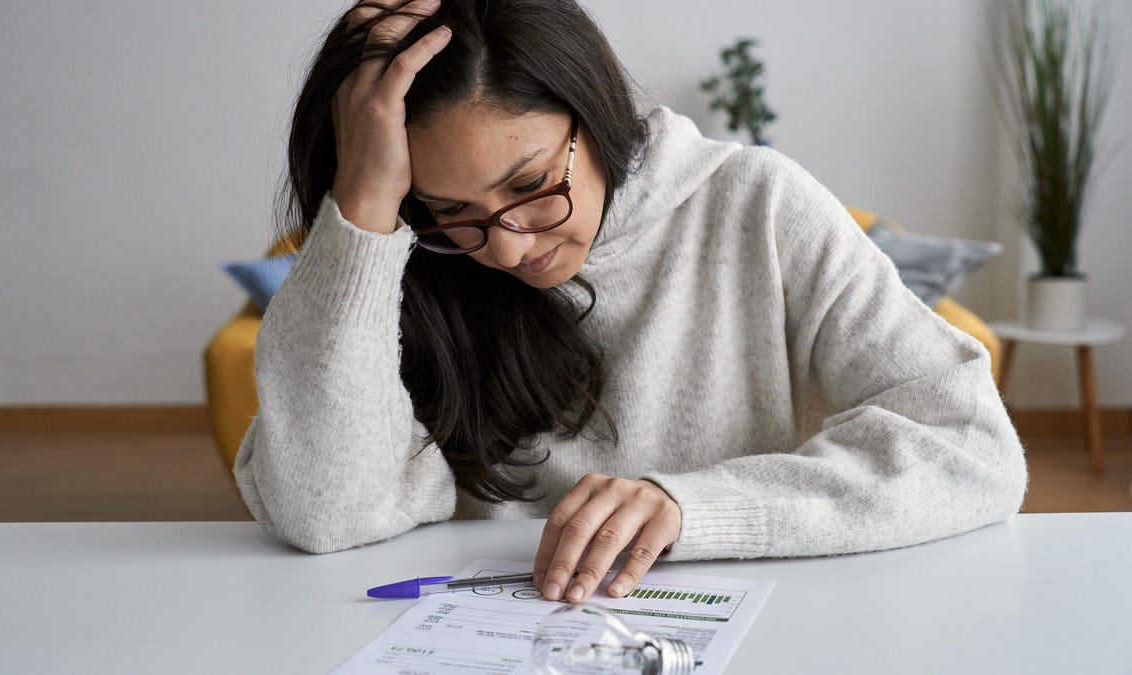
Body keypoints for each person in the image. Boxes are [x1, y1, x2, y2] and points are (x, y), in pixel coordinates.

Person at [233, 0, 1027, 605]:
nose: (506, 248)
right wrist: (366, 210)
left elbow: (972, 449)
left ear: (594, 105)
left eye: (530, 184)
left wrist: (692, 507)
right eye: (453, 212)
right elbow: (324, 511)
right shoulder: (403, 256)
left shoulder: (759, 206)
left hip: (748, 624)